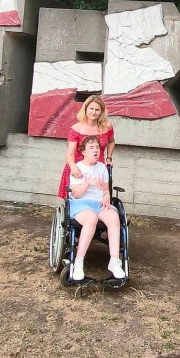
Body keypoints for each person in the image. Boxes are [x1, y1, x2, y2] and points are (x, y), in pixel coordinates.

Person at [68, 135, 125, 281]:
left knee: (114, 217)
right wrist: (88, 183)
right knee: (91, 218)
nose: (95, 150)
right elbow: (76, 194)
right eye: (91, 147)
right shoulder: (78, 168)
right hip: (81, 203)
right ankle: (78, 262)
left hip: (99, 203)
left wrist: (106, 195)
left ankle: (114, 261)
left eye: (97, 147)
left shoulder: (102, 168)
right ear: (84, 152)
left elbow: (105, 190)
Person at [57, 95, 115, 200]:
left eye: (97, 110)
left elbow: (111, 142)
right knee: (75, 198)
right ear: (85, 109)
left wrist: (109, 158)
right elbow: (70, 153)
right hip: (78, 168)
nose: (93, 112)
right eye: (91, 109)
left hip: (97, 167)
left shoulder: (107, 127)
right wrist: (73, 167)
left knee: (98, 195)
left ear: (102, 111)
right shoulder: (76, 129)